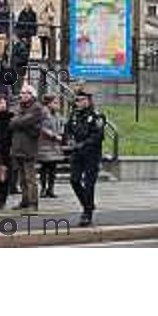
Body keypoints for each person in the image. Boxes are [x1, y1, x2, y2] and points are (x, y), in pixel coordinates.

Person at [64, 90, 105, 227]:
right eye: (77, 100)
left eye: (82, 100)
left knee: (89, 184)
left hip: (91, 154)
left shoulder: (97, 116)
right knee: (74, 180)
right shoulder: (75, 114)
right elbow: (68, 129)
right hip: (77, 153)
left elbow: (98, 136)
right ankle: (88, 204)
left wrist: (84, 144)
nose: (79, 102)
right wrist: (69, 139)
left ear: (88, 101)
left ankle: (87, 213)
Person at [10, 84, 43, 211]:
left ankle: (33, 202)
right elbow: (12, 123)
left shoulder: (36, 107)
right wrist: (19, 121)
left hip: (29, 146)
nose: (23, 95)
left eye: (26, 93)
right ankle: (25, 200)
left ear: (32, 95)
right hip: (18, 146)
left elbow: (24, 121)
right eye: (22, 93)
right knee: (22, 178)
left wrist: (19, 121)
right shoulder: (19, 107)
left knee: (30, 177)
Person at [38, 94, 63, 199]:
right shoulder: (43, 112)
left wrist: (61, 132)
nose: (58, 105)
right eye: (55, 103)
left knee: (53, 168)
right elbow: (42, 127)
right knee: (44, 167)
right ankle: (43, 188)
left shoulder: (56, 114)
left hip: (55, 146)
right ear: (49, 103)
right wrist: (53, 135)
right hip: (45, 145)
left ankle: (51, 189)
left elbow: (60, 125)